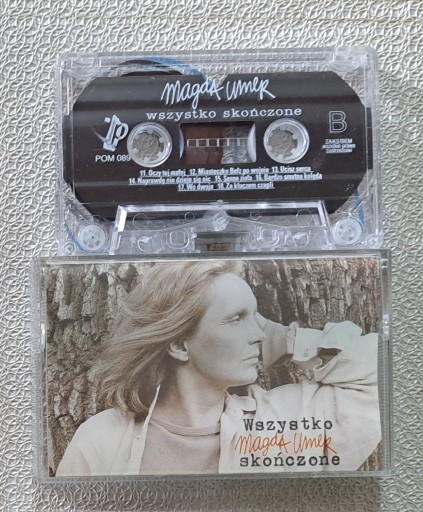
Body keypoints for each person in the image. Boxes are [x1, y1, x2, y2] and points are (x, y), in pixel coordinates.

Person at [56, 260, 381, 476]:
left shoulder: (285, 422)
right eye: (236, 318)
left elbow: (390, 374)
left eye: (257, 318)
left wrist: (287, 339)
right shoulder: (102, 441)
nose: (259, 335)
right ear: (179, 345)